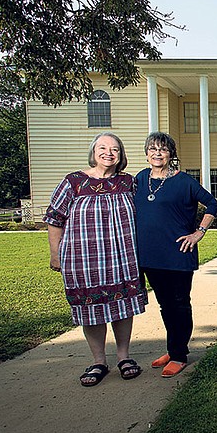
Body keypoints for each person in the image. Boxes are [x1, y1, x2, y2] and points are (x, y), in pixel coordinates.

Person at [45, 132, 146, 387]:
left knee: (122, 307)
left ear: (121, 155)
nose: (108, 153)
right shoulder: (74, 182)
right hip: (83, 258)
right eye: (102, 148)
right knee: (91, 309)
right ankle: (99, 361)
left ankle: (124, 357)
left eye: (114, 149)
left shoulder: (128, 183)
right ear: (93, 152)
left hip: (122, 256)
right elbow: (55, 218)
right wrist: (55, 254)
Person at [134, 132, 217, 378]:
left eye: (162, 149)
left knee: (180, 304)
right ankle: (173, 349)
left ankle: (180, 355)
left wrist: (198, 232)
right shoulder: (140, 178)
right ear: (147, 153)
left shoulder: (184, 182)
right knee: (164, 305)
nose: (157, 153)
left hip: (179, 253)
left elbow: (212, 204)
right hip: (150, 255)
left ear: (171, 154)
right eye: (152, 148)